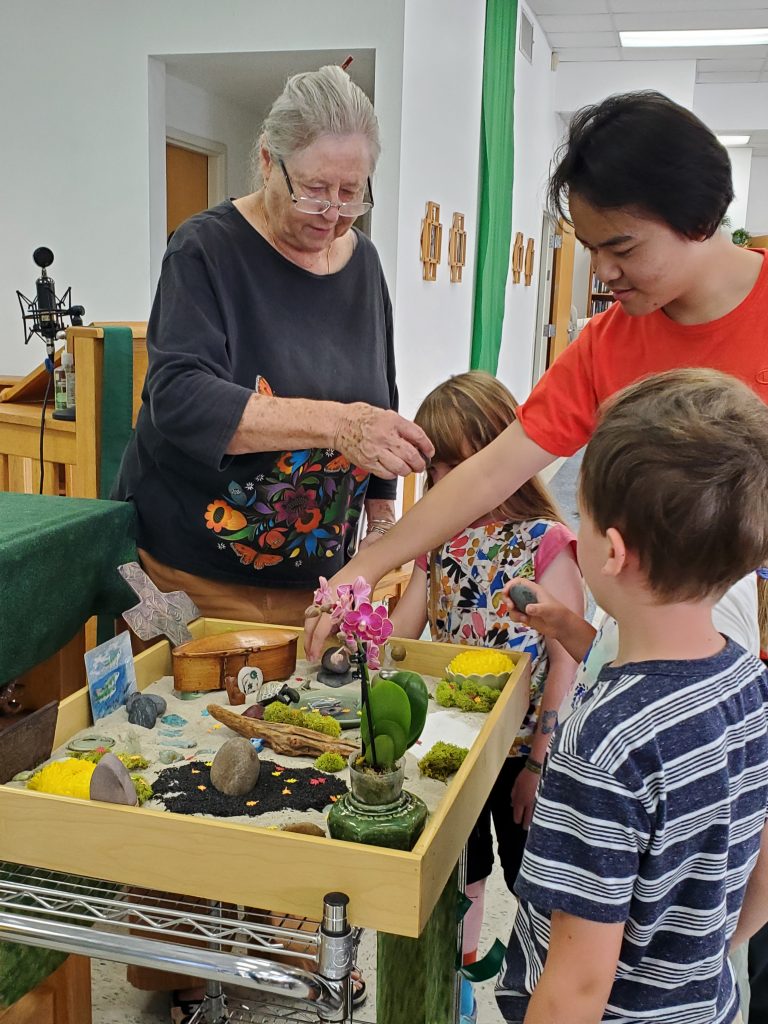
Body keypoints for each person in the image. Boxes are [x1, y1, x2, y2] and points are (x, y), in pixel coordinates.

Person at [304, 89, 767, 657]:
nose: (604, 272)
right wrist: (367, 565)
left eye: (621, 246)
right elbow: (489, 474)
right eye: (592, 248)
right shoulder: (608, 343)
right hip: (653, 640)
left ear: (697, 216)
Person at [114, 63, 432, 632]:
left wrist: (382, 518)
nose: (333, 214)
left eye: (350, 194)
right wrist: (337, 425)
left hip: (321, 584)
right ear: (267, 161)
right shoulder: (204, 249)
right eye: (314, 191)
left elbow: (379, 396)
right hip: (200, 577)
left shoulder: (364, 262)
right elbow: (181, 398)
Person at [495, 368, 768, 1024]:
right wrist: (705, 953)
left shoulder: (604, 737)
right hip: (706, 1003)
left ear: (611, 551)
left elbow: (577, 989)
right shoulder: (751, 686)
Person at [388, 372, 583, 968]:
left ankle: (537, 976)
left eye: (453, 462)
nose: (440, 480)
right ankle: (464, 970)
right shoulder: (438, 541)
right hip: (455, 749)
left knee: (534, 870)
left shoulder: (547, 541)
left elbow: (565, 662)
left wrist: (538, 761)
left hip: (526, 750)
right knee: (461, 866)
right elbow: (403, 632)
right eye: (434, 466)